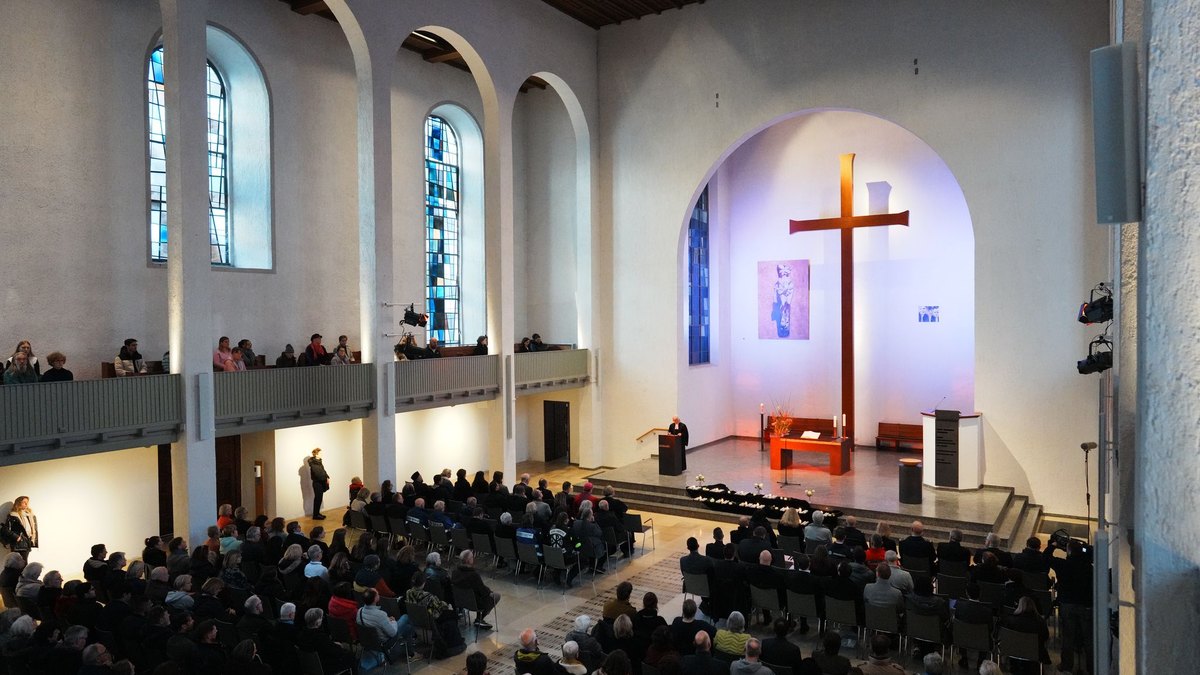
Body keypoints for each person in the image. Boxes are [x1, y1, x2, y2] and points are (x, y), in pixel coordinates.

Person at [1044, 538, 1093, 673]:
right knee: (1089, 638)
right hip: (1086, 606)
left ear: (1068, 552)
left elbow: (1046, 557)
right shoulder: (1090, 568)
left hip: (1067, 605)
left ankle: (1067, 665)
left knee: (1068, 636)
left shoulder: (1063, 565)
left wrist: (1053, 546)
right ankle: (1092, 667)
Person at [452, 550, 500, 628]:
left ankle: (460, 611)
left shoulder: (455, 572)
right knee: (495, 596)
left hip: (459, 601)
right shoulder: (473, 575)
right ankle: (479, 619)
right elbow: (483, 591)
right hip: (474, 603)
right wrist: (489, 591)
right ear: (470, 560)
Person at [1, 496, 38, 562]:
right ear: (18, 503)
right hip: (18, 544)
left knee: (24, 564)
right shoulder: (13, 515)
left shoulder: (29, 515)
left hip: (27, 542)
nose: (26, 504)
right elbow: (5, 530)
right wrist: (17, 537)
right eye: (24, 502)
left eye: (27, 502)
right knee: (18, 565)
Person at [308, 448, 330, 519]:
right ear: (316, 454)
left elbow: (323, 471)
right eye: (321, 453)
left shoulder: (318, 462)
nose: (322, 455)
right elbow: (318, 474)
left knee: (319, 499)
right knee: (318, 499)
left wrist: (327, 477)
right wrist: (325, 479)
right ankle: (316, 515)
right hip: (317, 483)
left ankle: (317, 514)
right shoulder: (314, 464)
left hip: (320, 483)